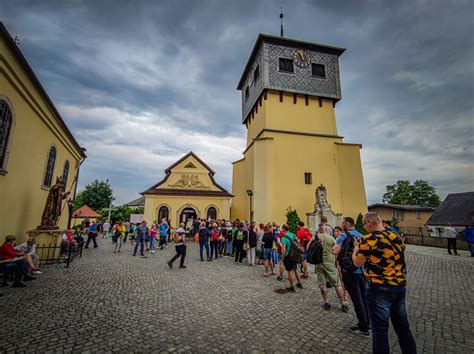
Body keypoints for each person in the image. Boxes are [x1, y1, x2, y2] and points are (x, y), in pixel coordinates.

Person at [352, 212, 417, 354]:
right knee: (403, 328)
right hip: (399, 285)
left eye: (365, 225)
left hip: (379, 287)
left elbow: (358, 263)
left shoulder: (368, 239)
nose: (364, 228)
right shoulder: (396, 236)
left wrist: (356, 249)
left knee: (380, 331)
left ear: (369, 223)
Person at [333, 217, 370, 336]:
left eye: (343, 223)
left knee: (357, 300)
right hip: (361, 271)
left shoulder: (344, 236)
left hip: (350, 271)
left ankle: (363, 327)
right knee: (364, 298)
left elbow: (335, 251)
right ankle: (367, 323)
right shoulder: (362, 235)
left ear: (347, 224)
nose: (341, 225)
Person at [309, 224, 348, 310]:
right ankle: (343, 303)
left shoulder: (315, 237)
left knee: (322, 283)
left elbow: (308, 247)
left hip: (319, 263)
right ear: (325, 230)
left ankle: (326, 302)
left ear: (318, 229)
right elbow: (337, 250)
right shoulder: (330, 238)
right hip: (330, 262)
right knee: (337, 283)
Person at [279, 224, 303, 293]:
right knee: (295, 270)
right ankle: (299, 283)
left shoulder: (284, 237)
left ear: (283, 229)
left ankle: (292, 287)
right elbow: (298, 241)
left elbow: (283, 249)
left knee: (289, 271)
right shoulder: (293, 234)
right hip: (294, 255)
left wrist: (282, 256)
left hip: (288, 256)